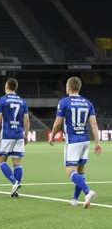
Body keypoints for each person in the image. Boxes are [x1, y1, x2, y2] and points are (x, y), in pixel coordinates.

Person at [49, 76, 102, 208]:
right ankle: (74, 199)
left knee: (70, 170)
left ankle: (87, 191)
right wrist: (98, 142)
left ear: (68, 87)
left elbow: (58, 122)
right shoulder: (88, 103)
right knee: (80, 170)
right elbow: (94, 124)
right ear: (79, 87)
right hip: (85, 140)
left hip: (72, 141)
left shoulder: (64, 102)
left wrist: (52, 135)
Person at [0, 78, 30, 198]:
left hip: (7, 135)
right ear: (16, 87)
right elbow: (26, 119)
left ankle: (14, 182)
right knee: (17, 163)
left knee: (0, 161)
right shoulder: (22, 101)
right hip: (19, 134)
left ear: (7, 86)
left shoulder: (2, 100)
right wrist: (26, 134)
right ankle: (16, 190)